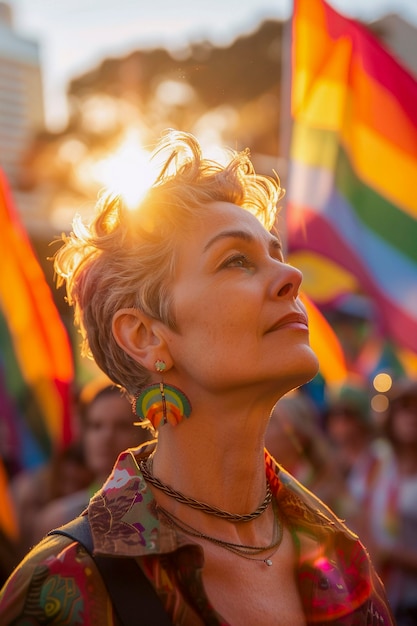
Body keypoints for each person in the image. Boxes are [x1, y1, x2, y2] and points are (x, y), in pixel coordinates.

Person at [0, 130, 394, 625]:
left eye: (276, 253)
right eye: (236, 260)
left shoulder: (341, 555)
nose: (290, 276)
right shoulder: (68, 584)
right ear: (145, 336)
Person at [33, 379, 152, 542]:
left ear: (146, 433)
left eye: (122, 426)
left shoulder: (162, 509)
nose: (106, 437)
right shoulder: (58, 518)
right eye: (96, 426)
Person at [363, 378, 417, 625]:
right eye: (405, 407)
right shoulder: (377, 462)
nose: (411, 416)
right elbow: (358, 512)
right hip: (375, 599)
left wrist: (390, 554)